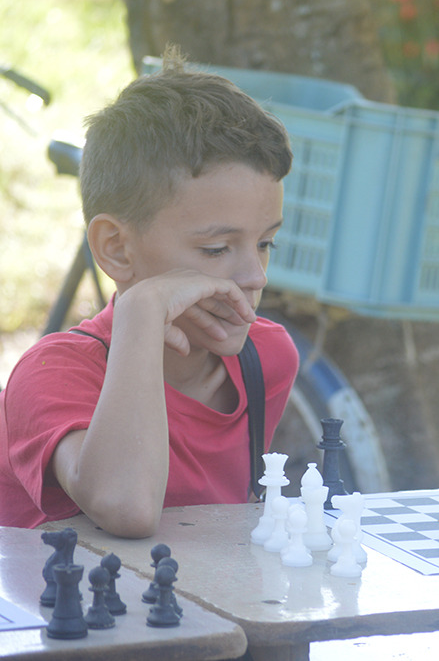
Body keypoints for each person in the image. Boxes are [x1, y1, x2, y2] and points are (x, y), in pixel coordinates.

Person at [0, 52, 299, 537]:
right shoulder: (52, 374)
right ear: (116, 249)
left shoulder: (267, 358)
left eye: (265, 243)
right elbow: (127, 509)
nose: (254, 276)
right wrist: (140, 312)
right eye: (217, 248)